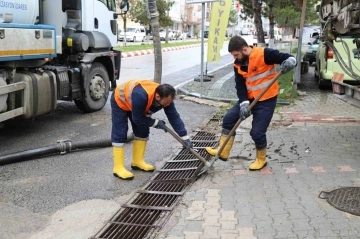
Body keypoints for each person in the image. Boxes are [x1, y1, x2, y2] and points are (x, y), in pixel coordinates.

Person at [206, 36, 296, 171]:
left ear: (244, 49)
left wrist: (290, 61)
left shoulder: (264, 54)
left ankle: (261, 159)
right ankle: (223, 150)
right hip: (249, 98)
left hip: (266, 99)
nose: (235, 57)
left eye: (236, 54)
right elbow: (240, 86)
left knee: (257, 132)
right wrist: (243, 104)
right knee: (229, 119)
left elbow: (288, 57)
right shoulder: (237, 64)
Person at [111, 80, 192, 180]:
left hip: (136, 104)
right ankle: (118, 168)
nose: (168, 105)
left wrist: (184, 137)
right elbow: (138, 119)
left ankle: (137, 162)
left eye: (169, 102)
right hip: (120, 101)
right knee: (120, 132)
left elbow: (174, 117)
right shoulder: (141, 96)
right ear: (158, 97)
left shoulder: (166, 97)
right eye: (166, 102)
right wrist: (155, 123)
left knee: (143, 131)